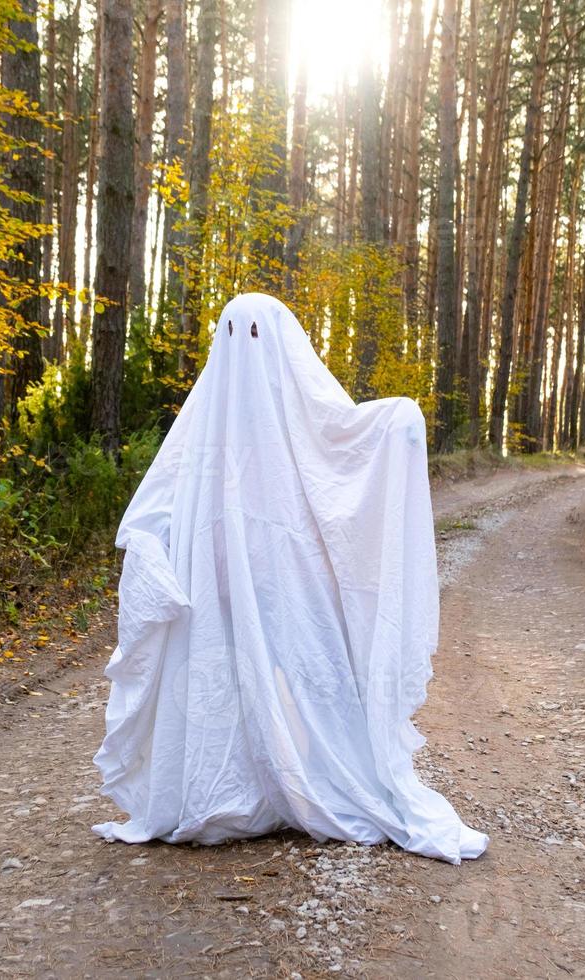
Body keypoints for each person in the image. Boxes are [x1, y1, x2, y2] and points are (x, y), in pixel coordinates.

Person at [91, 292, 488, 864]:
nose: (243, 350)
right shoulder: (203, 426)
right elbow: (152, 510)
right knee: (221, 688)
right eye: (232, 334)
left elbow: (347, 449)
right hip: (215, 593)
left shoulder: (302, 418)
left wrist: (399, 421)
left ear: (280, 344)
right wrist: (153, 560)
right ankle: (228, 791)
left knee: (314, 684)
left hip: (291, 589)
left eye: (256, 336)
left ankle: (316, 778)